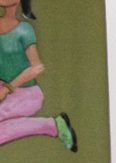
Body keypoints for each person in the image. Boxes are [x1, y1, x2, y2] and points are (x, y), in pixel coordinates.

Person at [0, 0, 76, 151]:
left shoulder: (24, 30)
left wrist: (7, 89)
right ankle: (53, 125)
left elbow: (37, 67)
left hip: (26, 93)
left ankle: (54, 125)